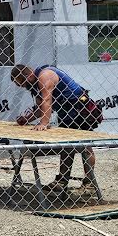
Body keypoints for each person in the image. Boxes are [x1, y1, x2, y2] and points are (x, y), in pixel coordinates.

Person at [10, 63, 104, 196]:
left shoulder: (45, 76)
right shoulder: (34, 84)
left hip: (80, 110)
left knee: (85, 147)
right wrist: (27, 119)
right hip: (66, 113)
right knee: (66, 146)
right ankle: (62, 181)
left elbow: (47, 100)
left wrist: (44, 123)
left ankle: (89, 184)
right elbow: (41, 106)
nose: (21, 86)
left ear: (28, 75)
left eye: (22, 82)